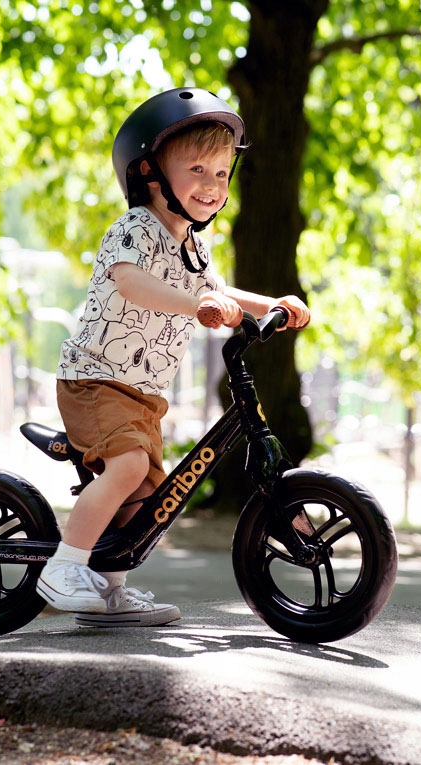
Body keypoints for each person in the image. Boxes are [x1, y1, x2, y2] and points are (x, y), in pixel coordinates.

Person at [37, 87, 310, 627]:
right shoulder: (135, 229)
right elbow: (132, 284)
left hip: (143, 393)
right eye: (198, 170)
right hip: (95, 379)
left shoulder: (193, 248)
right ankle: (63, 567)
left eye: (222, 173)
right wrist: (195, 305)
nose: (212, 186)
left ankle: (108, 589)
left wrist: (273, 303)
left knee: (146, 497)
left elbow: (219, 291)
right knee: (130, 466)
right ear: (150, 173)